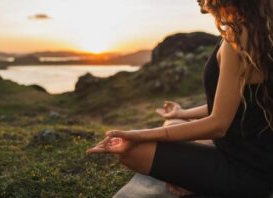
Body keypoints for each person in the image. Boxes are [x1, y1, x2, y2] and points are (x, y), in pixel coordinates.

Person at [87, 0, 273, 197]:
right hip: (255, 156)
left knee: (132, 150)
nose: (203, 9)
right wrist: (182, 113)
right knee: (173, 121)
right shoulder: (260, 32)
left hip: (247, 173)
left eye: (205, 2)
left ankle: (198, 185)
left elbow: (218, 124)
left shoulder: (238, 39)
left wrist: (137, 135)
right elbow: (232, 105)